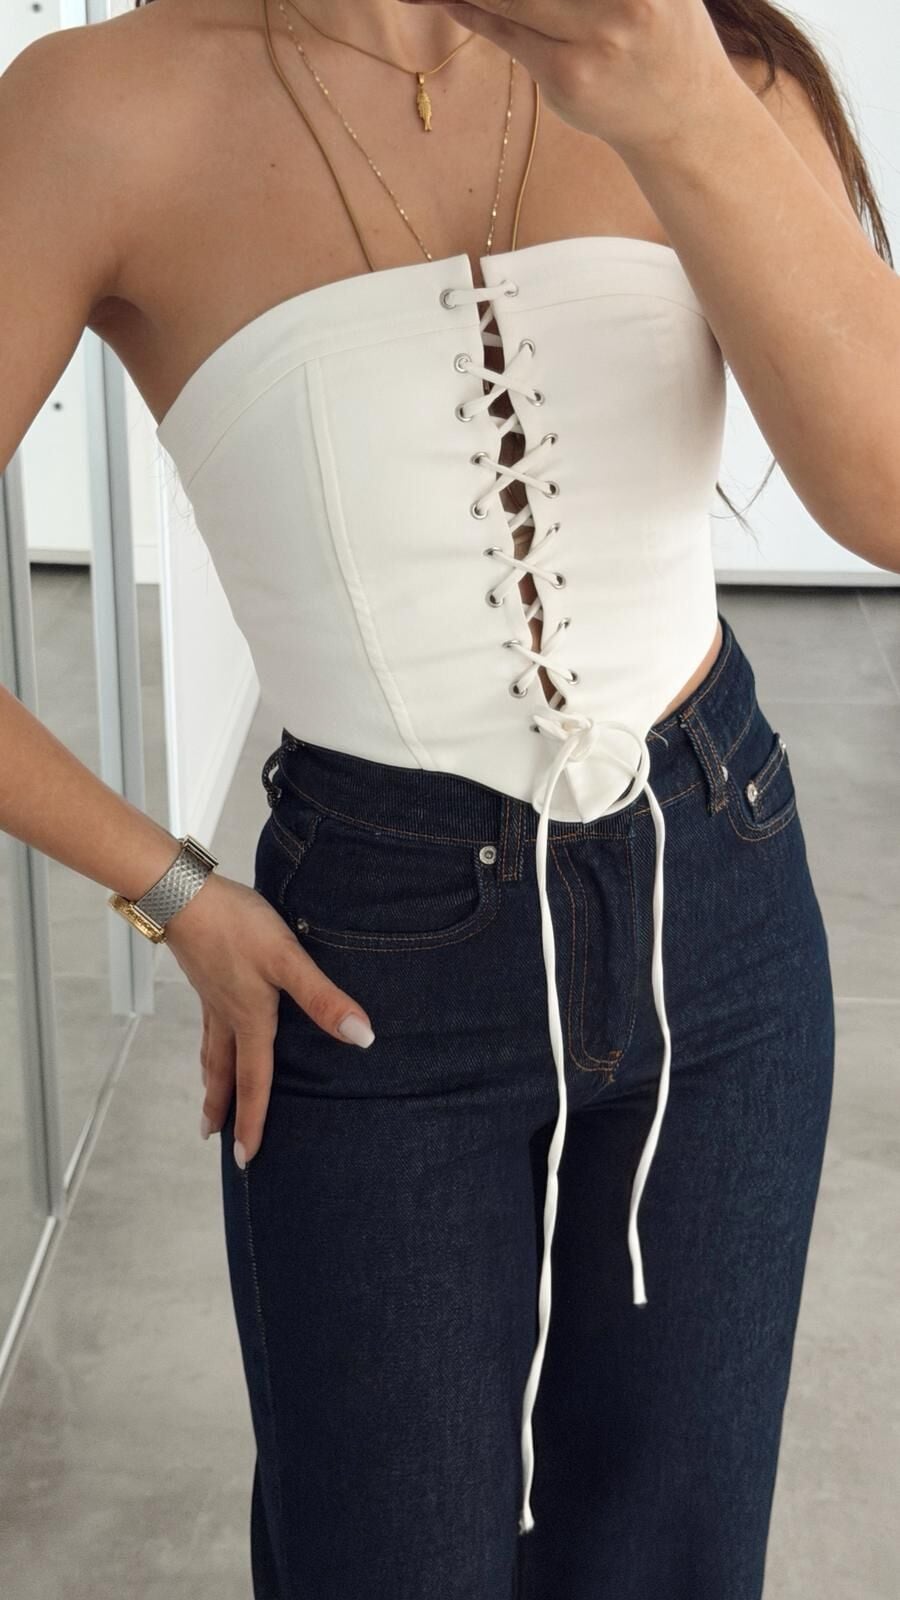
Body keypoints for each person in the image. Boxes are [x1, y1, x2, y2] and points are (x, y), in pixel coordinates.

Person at [1, 1, 897, 1595]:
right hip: (370, 960)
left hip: (721, 904)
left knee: (677, 1556)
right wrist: (170, 890)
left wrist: (684, 104)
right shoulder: (99, 109)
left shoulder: (700, 51)